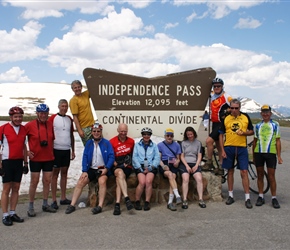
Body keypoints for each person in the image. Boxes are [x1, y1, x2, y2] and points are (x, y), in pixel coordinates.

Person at [65, 123, 114, 215]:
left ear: (101, 132)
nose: (96, 133)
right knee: (81, 181)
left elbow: (111, 156)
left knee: (102, 182)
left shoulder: (106, 143)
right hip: (91, 169)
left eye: (98, 131)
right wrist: (84, 171)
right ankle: (72, 205)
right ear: (91, 132)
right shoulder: (89, 143)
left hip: (102, 168)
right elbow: (85, 157)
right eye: (94, 131)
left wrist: (107, 168)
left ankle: (99, 206)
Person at [219, 99, 254, 209]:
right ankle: (230, 195)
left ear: (240, 108)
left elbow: (252, 131)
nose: (234, 110)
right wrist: (222, 150)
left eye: (236, 108)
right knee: (230, 171)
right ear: (230, 108)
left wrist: (244, 133)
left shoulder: (245, 117)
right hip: (229, 147)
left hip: (241, 147)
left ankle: (247, 198)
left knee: (244, 171)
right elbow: (220, 135)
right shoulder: (226, 118)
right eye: (232, 108)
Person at [25, 104, 57, 217]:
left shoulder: (50, 124)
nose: (43, 115)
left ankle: (45, 203)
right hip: (35, 158)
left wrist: (52, 153)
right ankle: (31, 206)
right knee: (34, 182)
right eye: (41, 113)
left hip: (48, 158)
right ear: (37, 113)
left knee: (47, 181)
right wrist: (26, 152)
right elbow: (21, 139)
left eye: (45, 113)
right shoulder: (29, 125)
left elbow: (52, 140)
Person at [0, 107, 28, 226]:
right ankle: (5, 215)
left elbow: (24, 147)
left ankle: (12, 212)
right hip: (7, 161)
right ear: (11, 117)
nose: (18, 119)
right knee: (7, 188)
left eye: (20, 116)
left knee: (16, 187)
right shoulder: (3, 129)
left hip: (18, 162)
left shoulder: (23, 129)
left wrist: (26, 163)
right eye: (15, 117)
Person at [253, 105, 283, 209]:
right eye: (263, 112)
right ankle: (260, 196)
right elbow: (255, 141)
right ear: (261, 113)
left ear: (270, 113)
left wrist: (279, 156)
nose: (265, 114)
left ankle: (274, 198)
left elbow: (278, 141)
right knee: (260, 175)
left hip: (271, 153)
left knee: (271, 176)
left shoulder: (275, 124)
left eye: (267, 112)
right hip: (259, 152)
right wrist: (253, 155)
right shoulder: (257, 125)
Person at [49, 99, 75, 210]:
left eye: (66, 106)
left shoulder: (69, 119)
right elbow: (48, 134)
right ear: (59, 106)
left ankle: (63, 198)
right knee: (55, 174)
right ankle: (54, 200)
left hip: (66, 149)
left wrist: (73, 150)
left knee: (64, 173)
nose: (64, 108)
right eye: (62, 106)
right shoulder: (53, 118)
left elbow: (71, 135)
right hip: (56, 149)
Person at [204, 78, 232, 175]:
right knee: (220, 146)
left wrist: (228, 111)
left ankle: (209, 161)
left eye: (218, 86)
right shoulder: (211, 94)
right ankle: (221, 166)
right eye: (215, 86)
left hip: (221, 124)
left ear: (222, 86)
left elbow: (234, 105)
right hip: (214, 123)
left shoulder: (226, 96)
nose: (216, 88)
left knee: (208, 141)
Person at [110, 123, 134, 215]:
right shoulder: (112, 141)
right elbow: (110, 156)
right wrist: (114, 162)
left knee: (119, 179)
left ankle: (117, 205)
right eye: (121, 131)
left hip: (127, 166)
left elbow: (132, 155)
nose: (123, 133)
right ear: (118, 130)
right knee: (119, 174)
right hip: (116, 166)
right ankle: (126, 197)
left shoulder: (131, 141)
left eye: (125, 131)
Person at [133, 127, 160, 211]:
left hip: (151, 166)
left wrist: (151, 167)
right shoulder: (137, 145)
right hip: (140, 165)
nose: (146, 136)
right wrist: (140, 168)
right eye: (144, 134)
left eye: (148, 134)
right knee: (142, 182)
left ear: (150, 135)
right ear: (142, 135)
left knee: (148, 181)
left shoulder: (154, 145)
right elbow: (135, 157)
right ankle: (137, 201)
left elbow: (157, 158)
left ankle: (147, 202)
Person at [179, 127, 206, 209]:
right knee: (185, 179)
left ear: (194, 134)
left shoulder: (198, 143)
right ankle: (184, 199)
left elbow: (199, 156)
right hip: (185, 163)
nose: (190, 136)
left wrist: (196, 165)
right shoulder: (183, 143)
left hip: (195, 163)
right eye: (188, 135)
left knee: (199, 179)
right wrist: (187, 166)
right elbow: (182, 156)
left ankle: (201, 199)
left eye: (191, 134)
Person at [157, 128, 182, 211]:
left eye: (171, 136)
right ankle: (177, 195)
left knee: (173, 176)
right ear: (165, 136)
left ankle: (170, 202)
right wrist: (163, 166)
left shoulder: (177, 145)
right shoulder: (160, 145)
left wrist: (177, 162)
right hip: (164, 163)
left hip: (173, 163)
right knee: (170, 175)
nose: (169, 137)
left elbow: (178, 158)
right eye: (167, 135)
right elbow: (158, 159)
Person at [69, 80, 95, 146]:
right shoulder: (73, 101)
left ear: (81, 87)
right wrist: (79, 130)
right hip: (84, 128)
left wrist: (99, 76)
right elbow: (75, 117)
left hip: (93, 125)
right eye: (75, 88)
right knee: (89, 147)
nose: (77, 89)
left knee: (98, 146)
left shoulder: (85, 94)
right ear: (72, 89)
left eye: (79, 87)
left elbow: (94, 87)